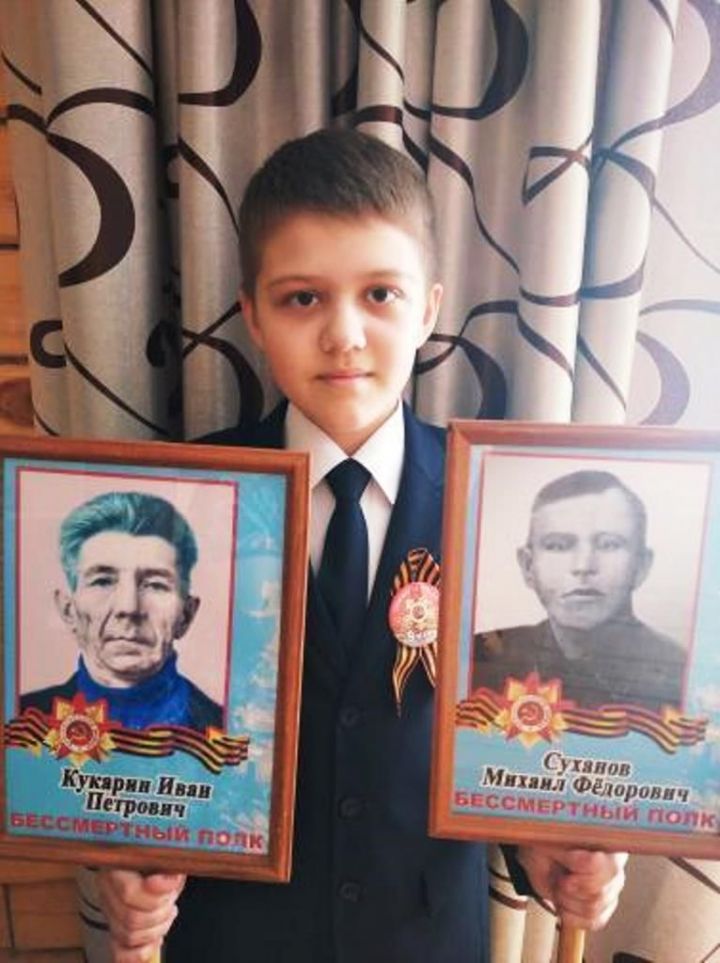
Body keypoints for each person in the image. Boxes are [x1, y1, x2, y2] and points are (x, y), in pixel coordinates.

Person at [98, 130, 627, 963]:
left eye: (380, 293)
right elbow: (136, 742)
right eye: (302, 298)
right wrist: (124, 863)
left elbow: (513, 752)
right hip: (231, 940)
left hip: (427, 941)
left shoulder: (500, 507)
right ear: (252, 314)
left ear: (429, 308)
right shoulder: (180, 505)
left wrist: (547, 855)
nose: (343, 334)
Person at [473, 470, 687, 710]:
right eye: (558, 546)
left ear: (641, 566)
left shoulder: (683, 675)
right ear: (528, 566)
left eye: (608, 544)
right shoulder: (480, 661)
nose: (583, 566)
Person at [21, 490, 222, 732]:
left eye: (155, 585)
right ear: (68, 610)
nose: (129, 607)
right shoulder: (17, 722)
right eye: (103, 581)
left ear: (186, 616)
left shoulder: (227, 733)